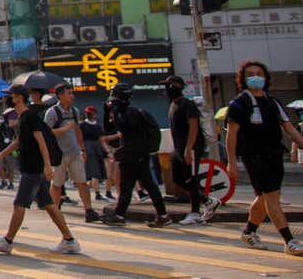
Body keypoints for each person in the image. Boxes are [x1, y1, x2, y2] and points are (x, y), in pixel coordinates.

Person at [225, 60, 303, 255]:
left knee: (264, 197)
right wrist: (231, 162)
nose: (255, 77)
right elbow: (231, 135)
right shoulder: (239, 104)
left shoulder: (273, 102)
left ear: (265, 78)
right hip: (253, 156)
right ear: (243, 79)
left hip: (274, 154)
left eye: (259, 73)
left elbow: (289, 126)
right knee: (272, 197)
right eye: (250, 74)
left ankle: (249, 232)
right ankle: (289, 241)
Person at [0, 84, 80, 257]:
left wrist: (47, 165)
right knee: (49, 205)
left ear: (19, 97)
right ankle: (69, 240)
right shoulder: (23, 118)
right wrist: (0, 155)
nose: (8, 99)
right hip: (34, 168)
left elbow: (41, 141)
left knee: (19, 204)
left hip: (33, 170)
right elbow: (19, 141)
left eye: (10, 96)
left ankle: (7, 241)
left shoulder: (30, 117)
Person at [97, 84, 168, 227]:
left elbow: (125, 128)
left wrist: (115, 112)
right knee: (129, 187)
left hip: (137, 155)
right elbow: (109, 129)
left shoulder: (133, 113)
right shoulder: (123, 113)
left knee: (143, 186)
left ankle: (161, 215)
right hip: (131, 155)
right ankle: (122, 215)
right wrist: (107, 113)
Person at [44, 84, 98, 224]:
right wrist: (64, 129)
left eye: (72, 93)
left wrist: (83, 149)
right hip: (59, 154)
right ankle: (55, 212)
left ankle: (89, 210)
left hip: (75, 153)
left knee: (82, 182)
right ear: (60, 96)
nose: (72, 96)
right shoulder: (52, 112)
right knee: (56, 184)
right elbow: (45, 133)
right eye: (69, 93)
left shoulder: (74, 111)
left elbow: (77, 130)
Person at [163, 77, 207, 225]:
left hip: (191, 147)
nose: (167, 89)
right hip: (179, 148)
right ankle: (208, 201)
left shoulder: (187, 104)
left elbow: (193, 127)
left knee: (191, 179)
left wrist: (189, 149)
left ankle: (195, 213)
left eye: (170, 86)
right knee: (177, 178)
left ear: (178, 87)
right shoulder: (173, 105)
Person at [78, 106, 110, 201]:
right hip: (88, 149)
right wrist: (81, 150)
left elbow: (101, 139)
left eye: (91, 113)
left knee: (95, 173)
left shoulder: (98, 126)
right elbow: (79, 138)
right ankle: (97, 194)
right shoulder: (82, 125)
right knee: (94, 172)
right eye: (88, 113)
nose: (90, 115)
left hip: (97, 149)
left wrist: (107, 151)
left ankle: (86, 192)